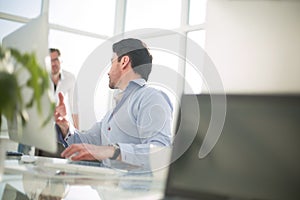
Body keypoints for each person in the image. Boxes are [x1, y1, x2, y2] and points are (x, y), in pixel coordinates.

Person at [55, 38, 173, 168]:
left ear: (124, 62)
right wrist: (65, 126)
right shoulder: (114, 111)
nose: (108, 72)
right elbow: (86, 143)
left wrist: (113, 151)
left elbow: (160, 152)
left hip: (135, 187)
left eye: (112, 62)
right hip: (107, 184)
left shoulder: (151, 97)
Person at [35, 48, 79, 158]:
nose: (54, 63)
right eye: (50, 61)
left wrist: (77, 135)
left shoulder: (70, 78)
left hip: (59, 125)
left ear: (61, 61)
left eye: (56, 60)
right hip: (40, 124)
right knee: (34, 157)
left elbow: (74, 107)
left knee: (57, 157)